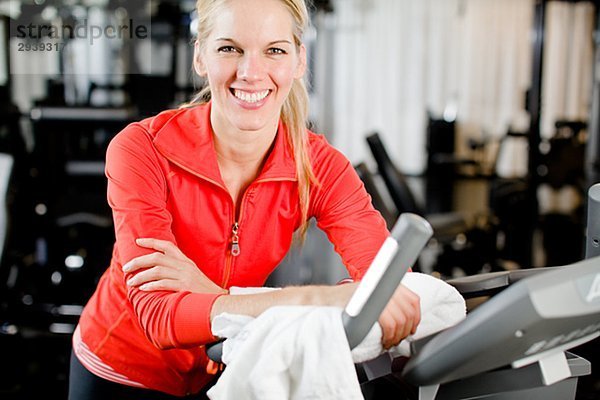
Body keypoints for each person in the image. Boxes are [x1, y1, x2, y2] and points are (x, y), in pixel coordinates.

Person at [68, 0, 421, 398]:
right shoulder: (142, 149)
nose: (251, 72)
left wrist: (210, 294)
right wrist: (322, 299)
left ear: (299, 60)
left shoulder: (320, 166)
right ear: (200, 55)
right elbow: (160, 313)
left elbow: (389, 286)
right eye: (229, 48)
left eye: (274, 50)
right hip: (122, 369)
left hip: (222, 365)